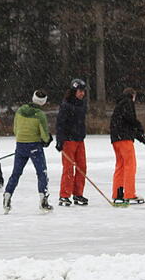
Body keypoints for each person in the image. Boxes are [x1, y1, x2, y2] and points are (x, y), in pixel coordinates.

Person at [3, 90, 53, 214]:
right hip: (35, 146)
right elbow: (44, 135)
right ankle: (43, 200)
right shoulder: (40, 114)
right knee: (42, 173)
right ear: (43, 102)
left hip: (20, 145)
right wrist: (47, 140)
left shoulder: (20, 110)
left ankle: (7, 195)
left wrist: (22, 140)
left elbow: (15, 129)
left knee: (16, 174)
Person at [109, 88, 145, 205]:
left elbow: (129, 126)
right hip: (124, 139)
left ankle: (118, 193)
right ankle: (129, 193)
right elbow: (131, 121)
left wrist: (144, 140)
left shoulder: (119, 105)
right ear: (132, 95)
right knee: (130, 165)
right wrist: (139, 125)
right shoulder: (128, 102)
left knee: (120, 165)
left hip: (115, 139)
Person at [55, 78, 88, 206]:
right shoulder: (66, 105)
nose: (82, 94)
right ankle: (64, 195)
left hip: (80, 140)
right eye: (80, 91)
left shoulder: (83, 104)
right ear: (74, 91)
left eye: (83, 91)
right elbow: (60, 124)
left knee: (82, 167)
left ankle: (78, 194)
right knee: (68, 169)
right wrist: (60, 140)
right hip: (68, 140)